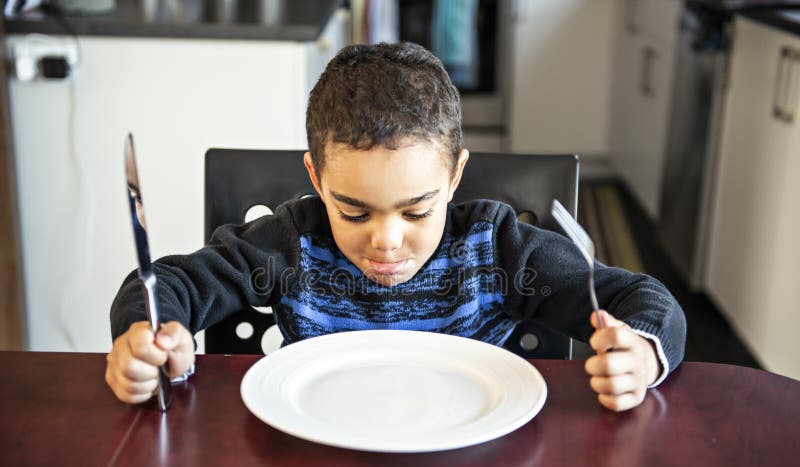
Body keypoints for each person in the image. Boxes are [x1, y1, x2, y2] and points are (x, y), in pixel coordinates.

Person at [106, 42, 686, 412]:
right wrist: (149, 332)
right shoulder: (291, 244)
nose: (386, 240)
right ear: (316, 175)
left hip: (474, 465)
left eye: (416, 210)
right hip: (323, 455)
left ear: (455, 177)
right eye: (353, 211)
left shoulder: (499, 250)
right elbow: (164, 285)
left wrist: (642, 351)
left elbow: (642, 299)